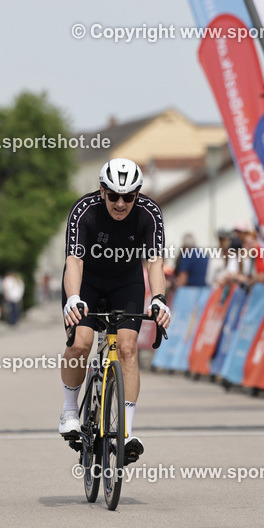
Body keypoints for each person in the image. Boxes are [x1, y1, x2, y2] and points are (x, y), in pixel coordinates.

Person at [59, 158, 172, 465]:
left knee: (127, 349)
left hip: (126, 282)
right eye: (113, 196)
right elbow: (74, 261)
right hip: (87, 282)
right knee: (81, 343)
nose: (120, 204)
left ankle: (125, 433)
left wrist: (159, 298)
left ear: (138, 194)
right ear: (102, 191)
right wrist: (73, 298)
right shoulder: (84, 210)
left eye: (128, 197)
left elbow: (154, 262)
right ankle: (70, 410)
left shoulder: (149, 213)